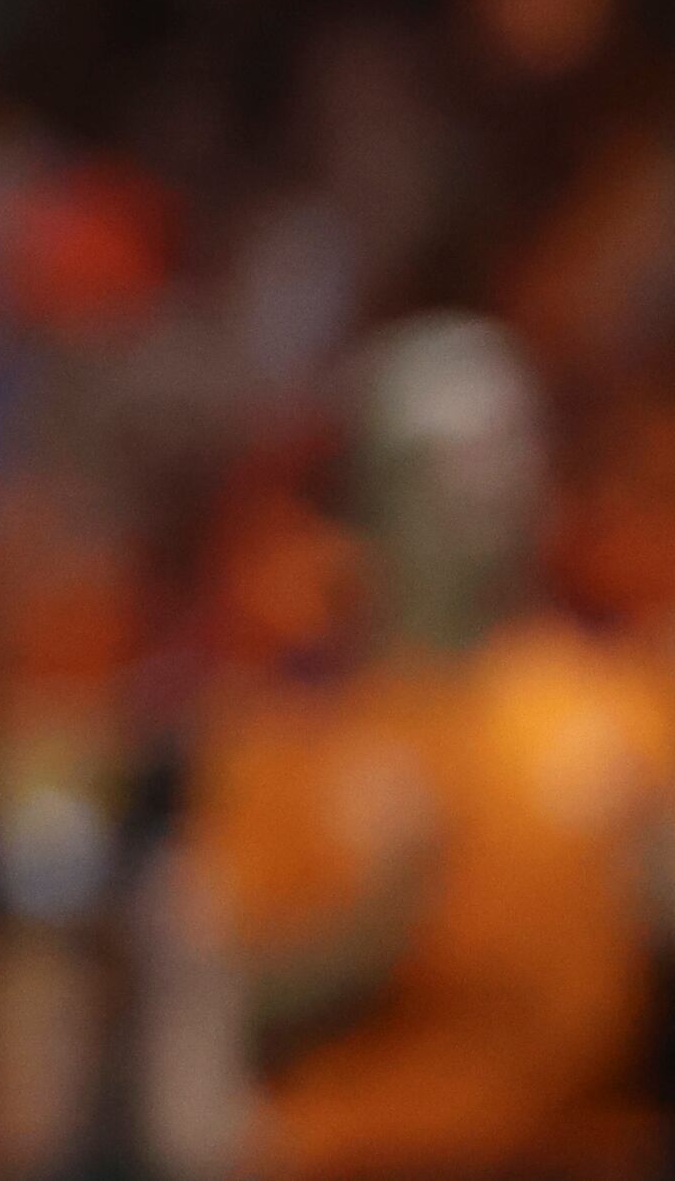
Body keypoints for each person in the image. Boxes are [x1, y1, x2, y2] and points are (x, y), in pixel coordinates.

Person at [156, 314, 675, 1181]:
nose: (486, 481)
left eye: (512, 443)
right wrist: (367, 935)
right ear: (371, 502)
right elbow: (224, 1015)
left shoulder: (634, 705)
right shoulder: (285, 737)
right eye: (444, 455)